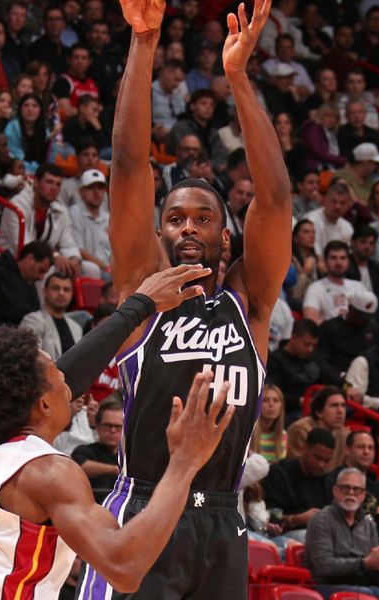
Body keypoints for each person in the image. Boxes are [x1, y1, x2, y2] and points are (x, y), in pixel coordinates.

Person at [79, 0, 292, 595]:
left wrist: (241, 80)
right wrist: (143, 44)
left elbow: (275, 200)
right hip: (145, 506)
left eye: (204, 219)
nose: (189, 229)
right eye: (175, 219)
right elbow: (126, 164)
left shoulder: (250, 304)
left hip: (224, 517)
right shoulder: (143, 288)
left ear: (227, 237)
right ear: (159, 232)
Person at [0, 265, 237, 598]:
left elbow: (69, 373)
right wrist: (184, 463)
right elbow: (124, 568)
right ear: (43, 405)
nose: (69, 382)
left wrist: (140, 305)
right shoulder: (48, 472)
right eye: (58, 378)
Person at [307, 467, 379, 600]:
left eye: (356, 489)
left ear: (363, 495)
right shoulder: (322, 520)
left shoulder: (369, 524)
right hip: (326, 586)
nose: (351, 493)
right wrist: (364, 563)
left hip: (365, 587)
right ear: (335, 491)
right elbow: (323, 566)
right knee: (366, 594)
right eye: (345, 488)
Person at [264, 428, 335, 541]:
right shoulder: (279, 473)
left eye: (327, 461)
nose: (321, 464)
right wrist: (298, 519)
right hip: (285, 536)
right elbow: (269, 519)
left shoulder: (328, 481)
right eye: (318, 458)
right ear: (304, 448)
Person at [266, 319, 325, 420]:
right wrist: (301, 401)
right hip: (288, 412)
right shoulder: (275, 360)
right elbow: (274, 393)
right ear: (293, 337)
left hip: (313, 407)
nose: (310, 349)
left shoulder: (313, 357)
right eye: (306, 344)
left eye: (314, 345)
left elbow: (329, 374)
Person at [20, 271, 83, 359]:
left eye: (66, 289)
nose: (61, 293)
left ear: (72, 295)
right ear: (45, 291)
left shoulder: (76, 328)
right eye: (56, 288)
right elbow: (31, 358)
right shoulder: (32, 320)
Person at [303, 241, 368, 324]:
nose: (338, 263)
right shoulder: (316, 288)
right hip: (330, 334)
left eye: (343, 258)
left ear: (348, 261)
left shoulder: (359, 286)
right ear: (325, 261)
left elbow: (369, 314)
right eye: (333, 258)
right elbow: (310, 320)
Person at [72, 398, 123, 503]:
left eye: (118, 427)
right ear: (97, 425)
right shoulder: (84, 451)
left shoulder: (130, 457)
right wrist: (115, 469)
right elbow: (78, 467)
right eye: (108, 425)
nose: (113, 430)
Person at [0, 240, 51, 325]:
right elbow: (9, 311)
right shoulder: (1, 274)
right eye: (41, 270)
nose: (41, 277)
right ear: (29, 258)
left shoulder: (30, 283)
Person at [251, 384, 287, 464]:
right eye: (265, 400)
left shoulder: (283, 435)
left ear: (281, 406)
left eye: (276, 400)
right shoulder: (248, 434)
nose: (271, 404)